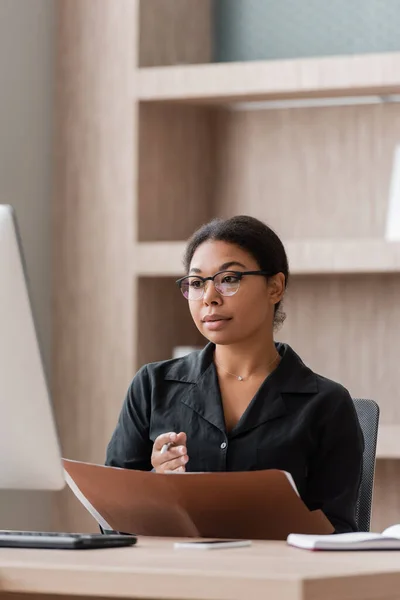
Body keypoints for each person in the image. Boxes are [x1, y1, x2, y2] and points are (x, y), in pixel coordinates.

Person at [106, 215, 364, 533]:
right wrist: (156, 484)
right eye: (197, 283)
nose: (209, 297)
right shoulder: (152, 386)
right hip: (175, 577)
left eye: (229, 279)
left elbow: (339, 533)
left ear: (275, 287)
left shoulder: (326, 403)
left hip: (275, 578)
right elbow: (111, 522)